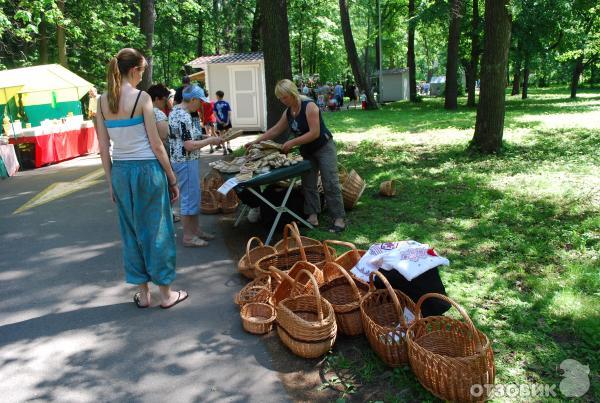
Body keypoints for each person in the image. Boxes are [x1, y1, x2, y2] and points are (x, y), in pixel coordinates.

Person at [95, 48, 188, 309]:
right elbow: (156, 144)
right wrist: (171, 178)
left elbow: (103, 147)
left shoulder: (102, 101)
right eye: (143, 70)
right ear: (134, 70)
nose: (143, 75)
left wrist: (110, 181)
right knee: (157, 231)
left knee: (131, 232)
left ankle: (144, 294)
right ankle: (166, 295)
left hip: (121, 174)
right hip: (148, 170)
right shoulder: (142, 99)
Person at [245, 79, 346, 233]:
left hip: (324, 147)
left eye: (284, 97)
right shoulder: (288, 112)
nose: (282, 100)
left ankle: (338, 218)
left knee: (330, 182)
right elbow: (275, 130)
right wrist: (256, 141)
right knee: (308, 183)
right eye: (280, 98)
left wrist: (292, 143)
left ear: (292, 93)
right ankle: (312, 215)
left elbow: (315, 133)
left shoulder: (309, 106)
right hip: (307, 150)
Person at [168, 84, 222, 247]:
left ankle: (195, 230)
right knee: (189, 198)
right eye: (200, 102)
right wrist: (210, 140)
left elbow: (187, 136)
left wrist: (206, 136)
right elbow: (189, 145)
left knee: (193, 195)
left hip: (182, 160)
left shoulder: (176, 111)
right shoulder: (183, 115)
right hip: (185, 160)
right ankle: (189, 237)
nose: (201, 105)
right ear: (192, 100)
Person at [214, 90, 234, 154]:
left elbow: (215, 114)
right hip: (226, 121)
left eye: (216, 96)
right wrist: (228, 121)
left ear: (217, 96)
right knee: (228, 134)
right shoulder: (226, 103)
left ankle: (224, 148)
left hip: (220, 122)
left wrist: (219, 121)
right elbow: (229, 113)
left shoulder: (216, 104)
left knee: (221, 135)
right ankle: (229, 145)